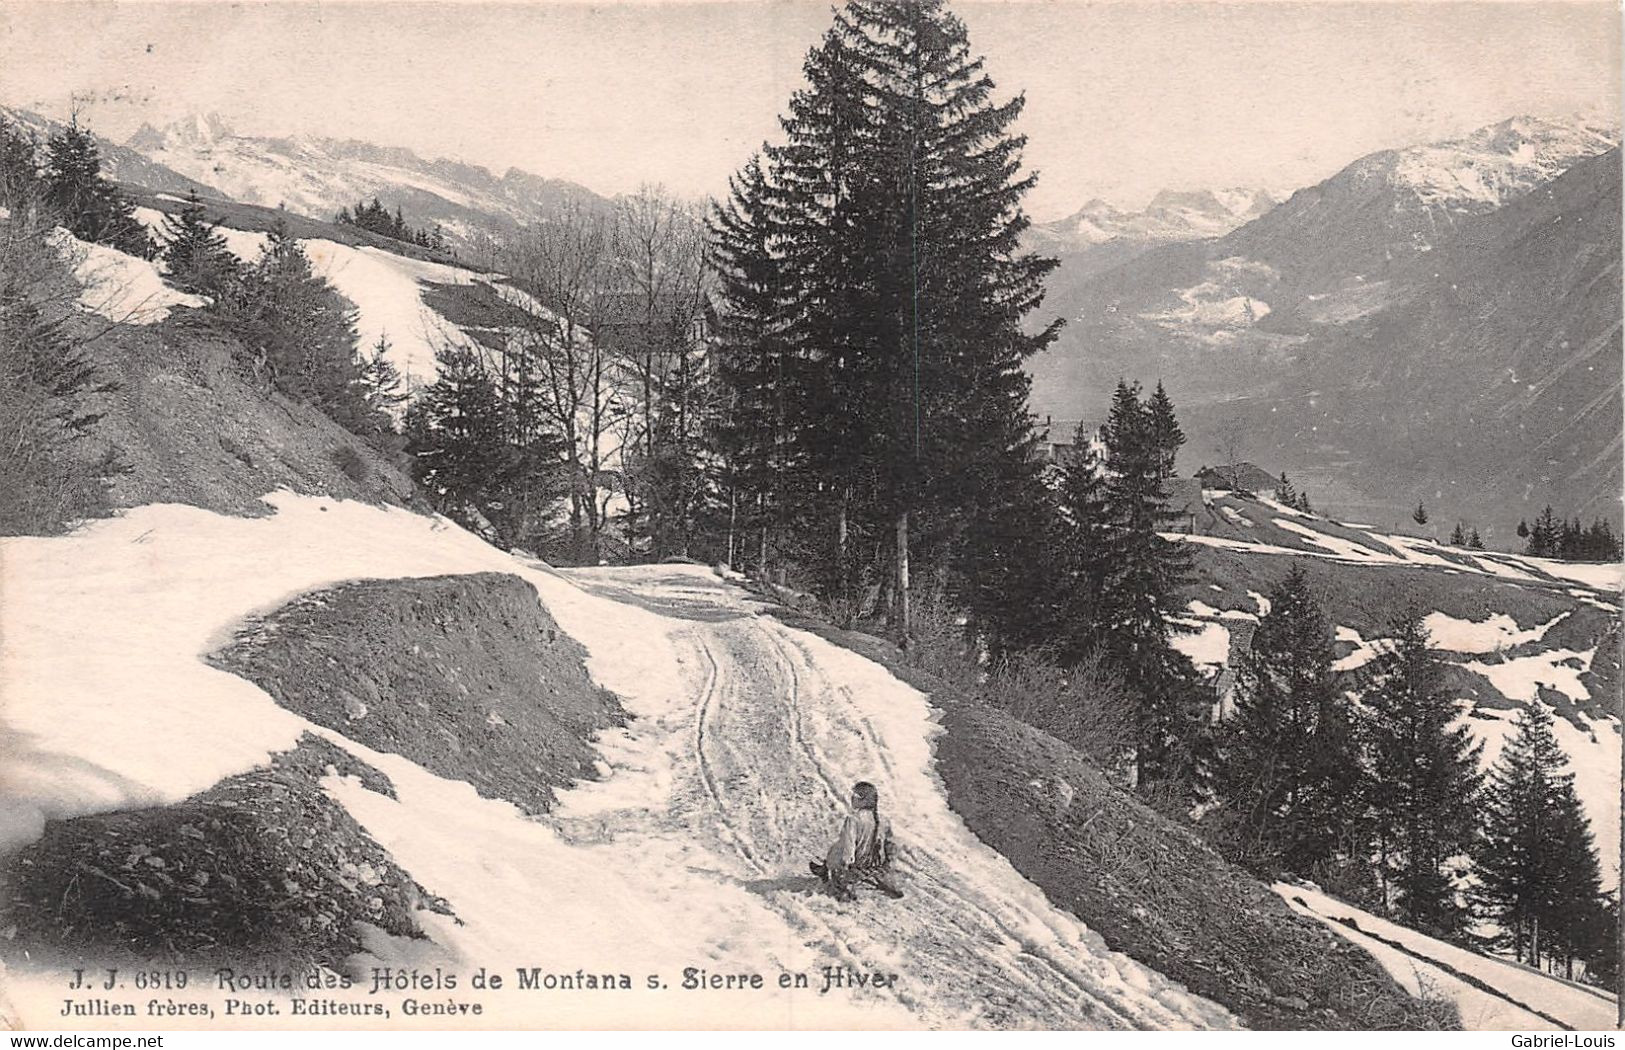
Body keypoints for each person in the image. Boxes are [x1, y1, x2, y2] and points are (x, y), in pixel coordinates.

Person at [810, 781, 903, 901]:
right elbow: (891, 844)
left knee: (837, 846)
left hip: (857, 864)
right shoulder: (883, 820)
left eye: (854, 796)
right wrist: (888, 863)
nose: (851, 798)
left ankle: (826, 871)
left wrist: (845, 866)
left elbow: (849, 845)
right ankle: (880, 879)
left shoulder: (853, 819)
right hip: (875, 863)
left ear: (863, 800)